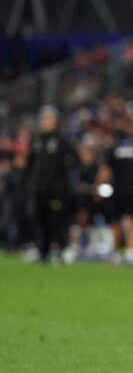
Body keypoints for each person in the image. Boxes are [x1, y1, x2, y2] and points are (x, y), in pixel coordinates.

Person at [26, 106, 79, 264]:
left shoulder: (61, 140)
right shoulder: (36, 140)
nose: (46, 122)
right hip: (39, 189)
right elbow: (30, 163)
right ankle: (42, 250)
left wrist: (62, 173)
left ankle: (60, 250)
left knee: (56, 220)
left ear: (55, 121)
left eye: (48, 119)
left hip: (56, 190)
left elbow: (74, 159)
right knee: (40, 219)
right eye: (43, 119)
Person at [98, 129, 133, 264]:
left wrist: (98, 187)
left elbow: (105, 172)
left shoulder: (113, 150)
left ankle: (117, 253)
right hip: (131, 190)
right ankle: (132, 252)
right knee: (130, 221)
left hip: (117, 190)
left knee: (115, 222)